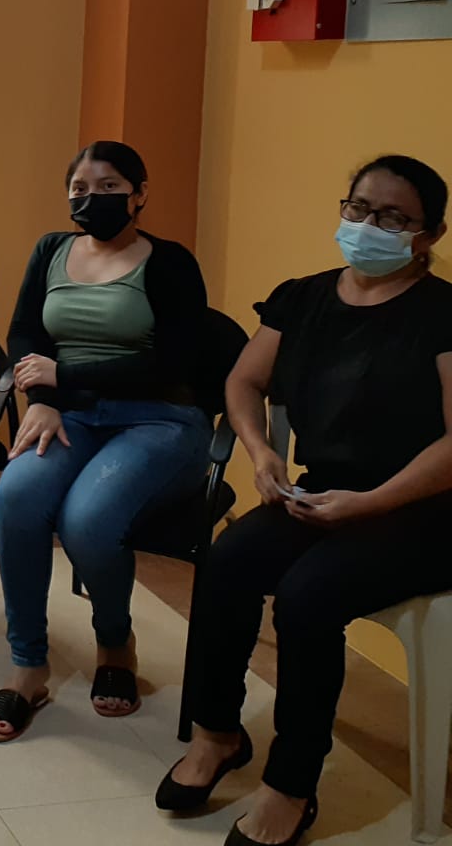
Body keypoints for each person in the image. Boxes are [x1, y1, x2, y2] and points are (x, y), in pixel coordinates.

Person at [156, 155, 452, 846]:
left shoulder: (443, 314)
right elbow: (243, 381)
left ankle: (291, 784)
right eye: (359, 208)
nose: (368, 225)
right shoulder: (304, 297)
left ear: (429, 235)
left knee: (308, 596)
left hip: (422, 510)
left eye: (392, 217)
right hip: (321, 492)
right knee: (228, 561)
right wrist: (262, 454)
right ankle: (217, 734)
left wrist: (371, 503)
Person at [0, 140, 212, 743]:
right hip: (71, 415)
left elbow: (176, 364)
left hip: (160, 418)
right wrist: (43, 398)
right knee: (17, 497)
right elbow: (25, 332)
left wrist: (66, 376)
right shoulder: (51, 250)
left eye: (109, 187)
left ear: (140, 194)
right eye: (79, 189)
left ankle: (114, 642)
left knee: (88, 520)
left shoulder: (170, 262)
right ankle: (29, 666)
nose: (92, 198)